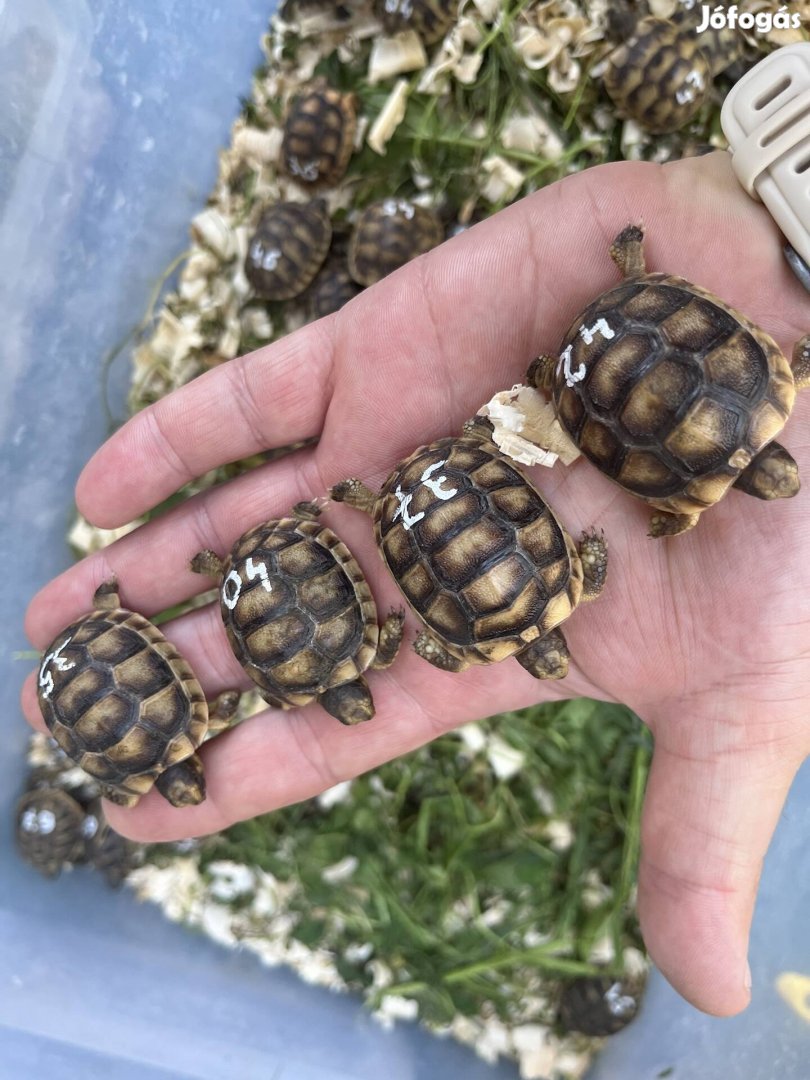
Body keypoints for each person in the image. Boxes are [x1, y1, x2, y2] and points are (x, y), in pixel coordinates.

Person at [22, 152, 810, 1019]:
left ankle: (616, 301)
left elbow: (482, 592)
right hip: (420, 515)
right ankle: (616, 298)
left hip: (447, 509)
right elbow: (445, 611)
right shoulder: (421, 643)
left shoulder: (556, 587)